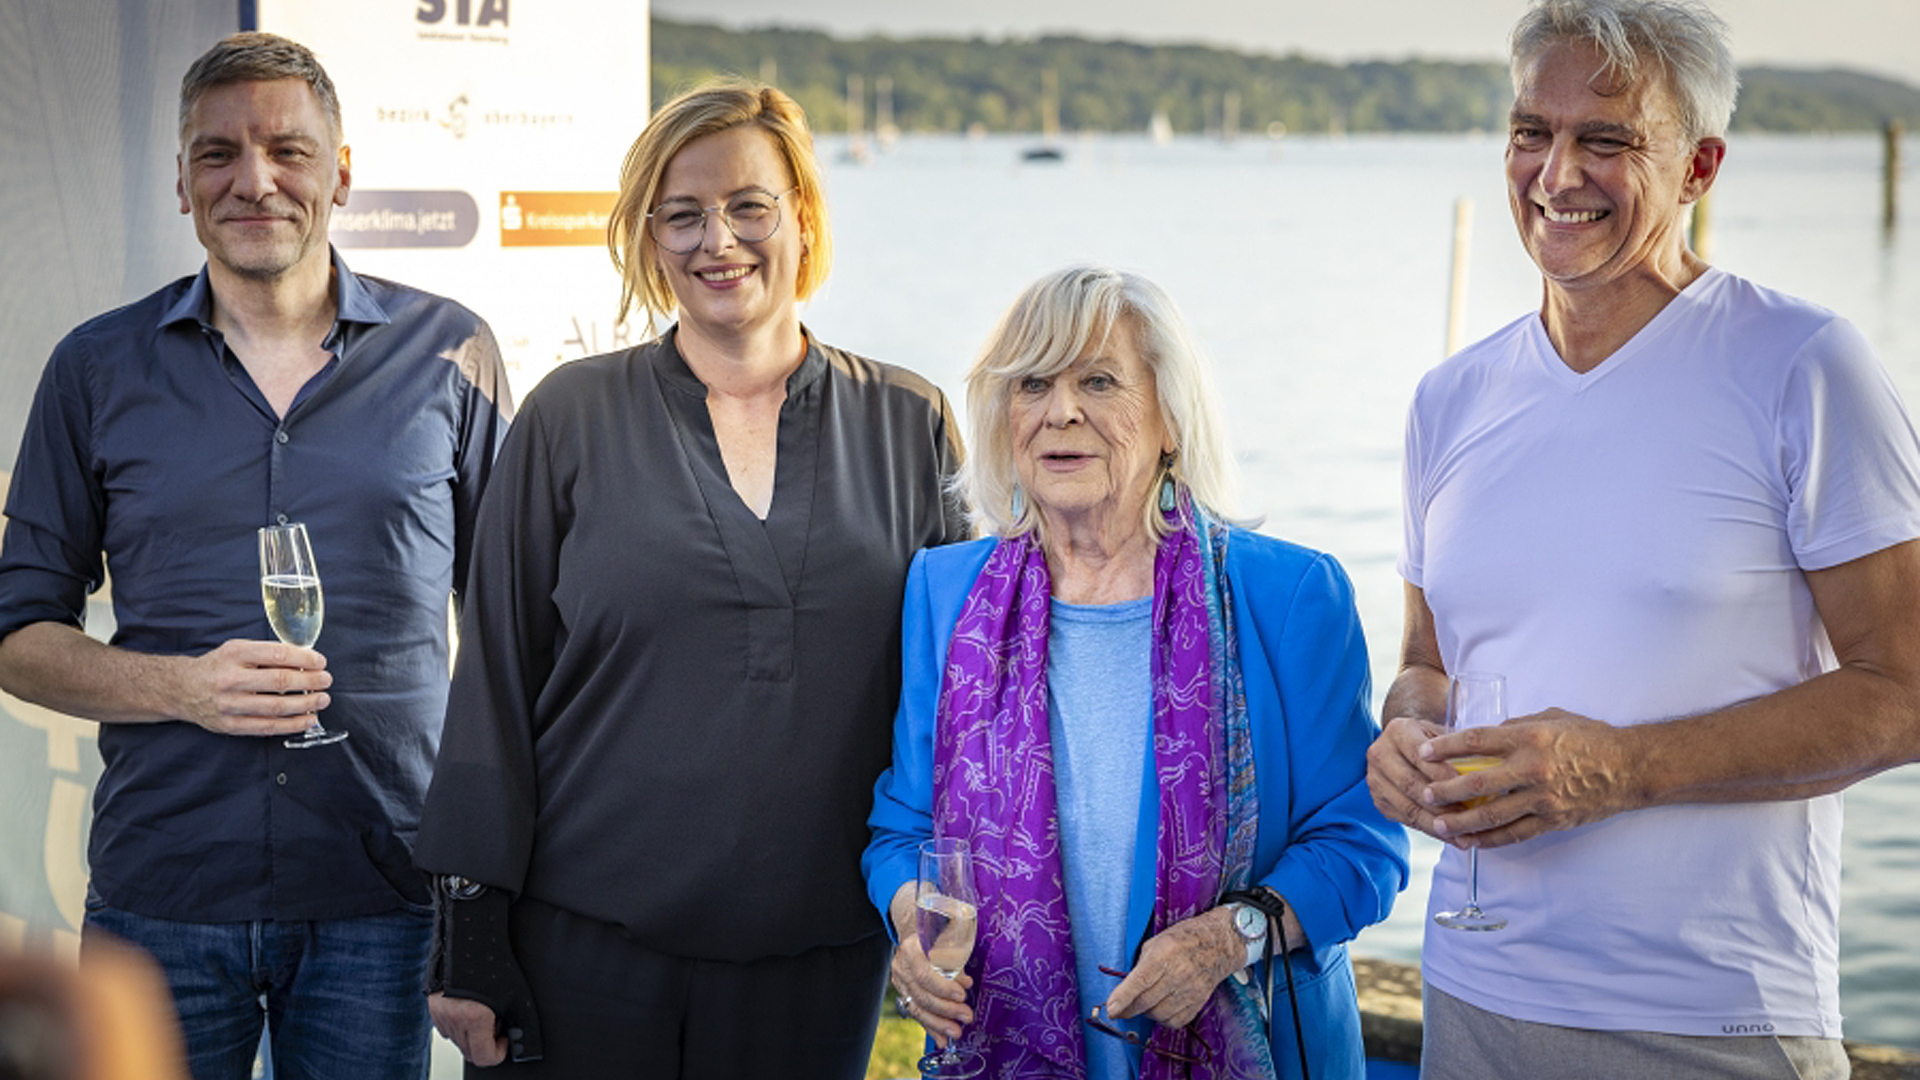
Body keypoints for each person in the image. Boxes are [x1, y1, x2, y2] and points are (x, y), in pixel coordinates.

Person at [1365, 1, 1920, 1077]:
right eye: (1533, 131)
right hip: (1473, 999)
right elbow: (1432, 662)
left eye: (1606, 141)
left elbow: (1907, 688)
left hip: (1713, 1018)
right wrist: (1406, 739)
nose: (1556, 174)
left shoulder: (1802, 364)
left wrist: (1625, 769)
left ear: (1700, 167)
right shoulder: (1450, 398)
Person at [412, 80, 968, 1078]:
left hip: (820, 959)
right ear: (648, 237)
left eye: (748, 204)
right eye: (683, 213)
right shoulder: (569, 416)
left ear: (800, 214)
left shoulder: (910, 424)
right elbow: (493, 672)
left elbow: (960, 698)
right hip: (582, 949)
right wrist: (470, 934)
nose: (719, 240)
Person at [0, 31, 512, 1080]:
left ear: (342, 174)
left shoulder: (452, 353)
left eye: (287, 149)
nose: (255, 180)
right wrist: (181, 688)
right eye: (218, 153)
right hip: (164, 896)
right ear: (184, 184)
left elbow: (515, 635)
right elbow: (17, 636)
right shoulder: (95, 368)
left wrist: (498, 892)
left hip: (384, 893)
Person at [865, 266, 1408, 1079]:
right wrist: (915, 928)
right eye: (1034, 383)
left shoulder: (1290, 595)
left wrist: (1233, 936)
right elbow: (903, 831)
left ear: (1170, 420)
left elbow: (1365, 842)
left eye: (1099, 380)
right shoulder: (944, 594)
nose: (1061, 411)